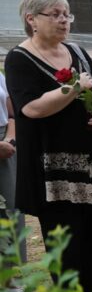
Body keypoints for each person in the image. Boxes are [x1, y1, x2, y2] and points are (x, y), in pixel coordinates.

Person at [4, 0, 92, 292]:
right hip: (48, 159)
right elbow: (31, 108)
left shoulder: (76, 50)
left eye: (67, 14)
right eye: (55, 14)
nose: (64, 20)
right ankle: (68, 288)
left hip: (86, 153)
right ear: (32, 19)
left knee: (89, 219)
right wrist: (75, 88)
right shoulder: (19, 58)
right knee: (60, 225)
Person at [0, 73, 26, 264]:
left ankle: (13, 277)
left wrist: (10, 138)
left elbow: (11, 113)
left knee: (12, 209)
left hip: (6, 143)